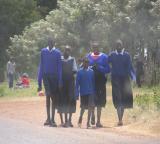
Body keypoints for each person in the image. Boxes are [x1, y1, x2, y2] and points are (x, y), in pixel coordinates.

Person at [108, 39, 135, 126]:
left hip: (125, 79)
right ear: (115, 46)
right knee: (118, 98)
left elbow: (130, 67)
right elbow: (106, 62)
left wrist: (133, 77)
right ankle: (120, 119)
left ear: (122, 45)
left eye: (120, 45)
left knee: (123, 99)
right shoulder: (112, 55)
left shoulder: (127, 55)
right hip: (115, 79)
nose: (119, 46)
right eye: (117, 45)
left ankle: (120, 119)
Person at [38, 38, 62, 127]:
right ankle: (49, 119)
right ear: (48, 42)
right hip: (46, 77)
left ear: (54, 43)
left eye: (52, 42)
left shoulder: (58, 53)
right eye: (49, 42)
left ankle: (52, 119)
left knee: (53, 99)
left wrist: (60, 81)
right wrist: (39, 82)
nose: (51, 43)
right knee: (48, 94)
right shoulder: (43, 51)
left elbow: (59, 68)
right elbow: (41, 66)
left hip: (55, 78)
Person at [87, 41, 110, 128]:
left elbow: (108, 69)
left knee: (99, 101)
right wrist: (91, 67)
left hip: (100, 82)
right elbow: (83, 67)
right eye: (94, 47)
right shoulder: (88, 56)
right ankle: (92, 115)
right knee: (92, 99)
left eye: (96, 47)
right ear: (92, 48)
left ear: (99, 48)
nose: (95, 49)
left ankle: (98, 121)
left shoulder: (104, 57)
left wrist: (99, 67)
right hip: (91, 81)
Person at [58, 45, 77, 127]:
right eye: (66, 50)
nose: (67, 52)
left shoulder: (72, 60)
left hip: (70, 83)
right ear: (64, 51)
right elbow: (58, 70)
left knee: (71, 100)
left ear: (70, 52)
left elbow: (75, 71)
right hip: (62, 84)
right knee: (63, 101)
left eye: (69, 50)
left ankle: (69, 120)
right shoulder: (60, 59)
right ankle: (64, 120)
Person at [76, 58, 95, 128]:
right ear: (82, 63)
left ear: (88, 63)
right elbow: (77, 84)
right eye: (84, 62)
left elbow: (93, 83)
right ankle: (80, 117)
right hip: (83, 92)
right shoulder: (79, 72)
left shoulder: (91, 72)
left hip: (90, 92)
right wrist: (77, 93)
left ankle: (88, 122)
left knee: (90, 107)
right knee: (83, 108)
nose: (86, 64)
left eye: (87, 62)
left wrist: (94, 92)